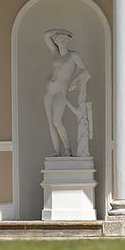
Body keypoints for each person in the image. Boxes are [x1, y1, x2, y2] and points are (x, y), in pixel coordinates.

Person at [42, 29, 90, 157]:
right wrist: (58, 31)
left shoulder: (73, 56)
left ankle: (67, 149)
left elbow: (85, 70)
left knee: (57, 121)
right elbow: (46, 35)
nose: (61, 42)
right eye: (58, 40)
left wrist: (74, 80)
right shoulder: (55, 53)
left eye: (63, 39)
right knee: (50, 122)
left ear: (68, 40)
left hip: (60, 91)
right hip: (49, 91)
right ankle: (57, 151)